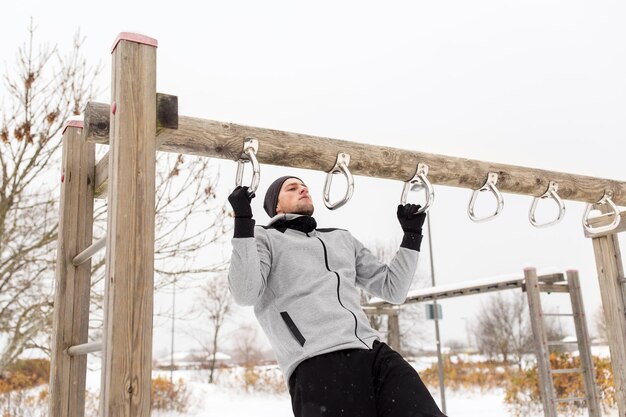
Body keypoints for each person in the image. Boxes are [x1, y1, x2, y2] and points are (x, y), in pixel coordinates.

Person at [227, 176, 447, 417]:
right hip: (317, 362)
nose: (303, 189)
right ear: (276, 206)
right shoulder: (265, 238)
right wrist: (243, 221)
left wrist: (412, 234)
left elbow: (393, 289)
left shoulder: (341, 239)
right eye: (292, 188)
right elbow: (245, 292)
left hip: (373, 354)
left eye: (305, 186)